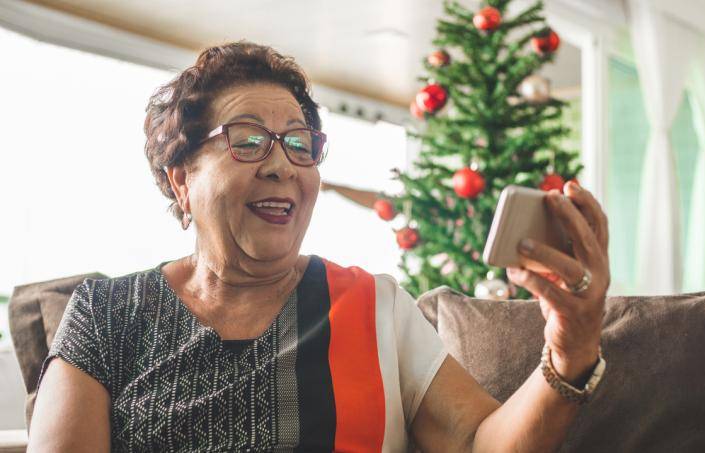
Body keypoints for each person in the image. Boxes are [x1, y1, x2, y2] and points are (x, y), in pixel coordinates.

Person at [27, 41, 610, 453]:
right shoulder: (105, 316)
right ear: (181, 178)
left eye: (300, 144)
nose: (282, 165)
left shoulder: (373, 306)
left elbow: (483, 444)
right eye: (248, 140)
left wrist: (570, 348)